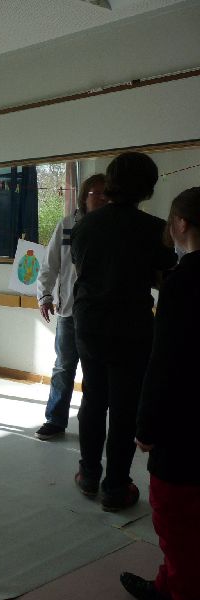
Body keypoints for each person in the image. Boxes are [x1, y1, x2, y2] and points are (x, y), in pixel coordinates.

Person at [70, 153, 175, 511]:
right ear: (147, 188)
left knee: (93, 399)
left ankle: (88, 474)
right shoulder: (154, 229)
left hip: (89, 323)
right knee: (125, 408)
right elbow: (164, 276)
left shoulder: (85, 225)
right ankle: (115, 487)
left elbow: (84, 270)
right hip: (131, 326)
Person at [120, 187, 200, 600]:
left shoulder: (182, 283)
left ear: (181, 224)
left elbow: (165, 362)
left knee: (175, 515)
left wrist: (146, 426)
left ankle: (177, 589)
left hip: (185, 421)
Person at [34, 174, 107, 440]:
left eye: (107, 193)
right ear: (84, 196)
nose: (103, 198)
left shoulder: (113, 227)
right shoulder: (66, 225)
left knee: (96, 371)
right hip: (69, 312)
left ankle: (92, 422)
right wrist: (44, 296)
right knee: (64, 367)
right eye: (97, 193)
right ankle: (55, 420)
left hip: (101, 314)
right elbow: (49, 264)